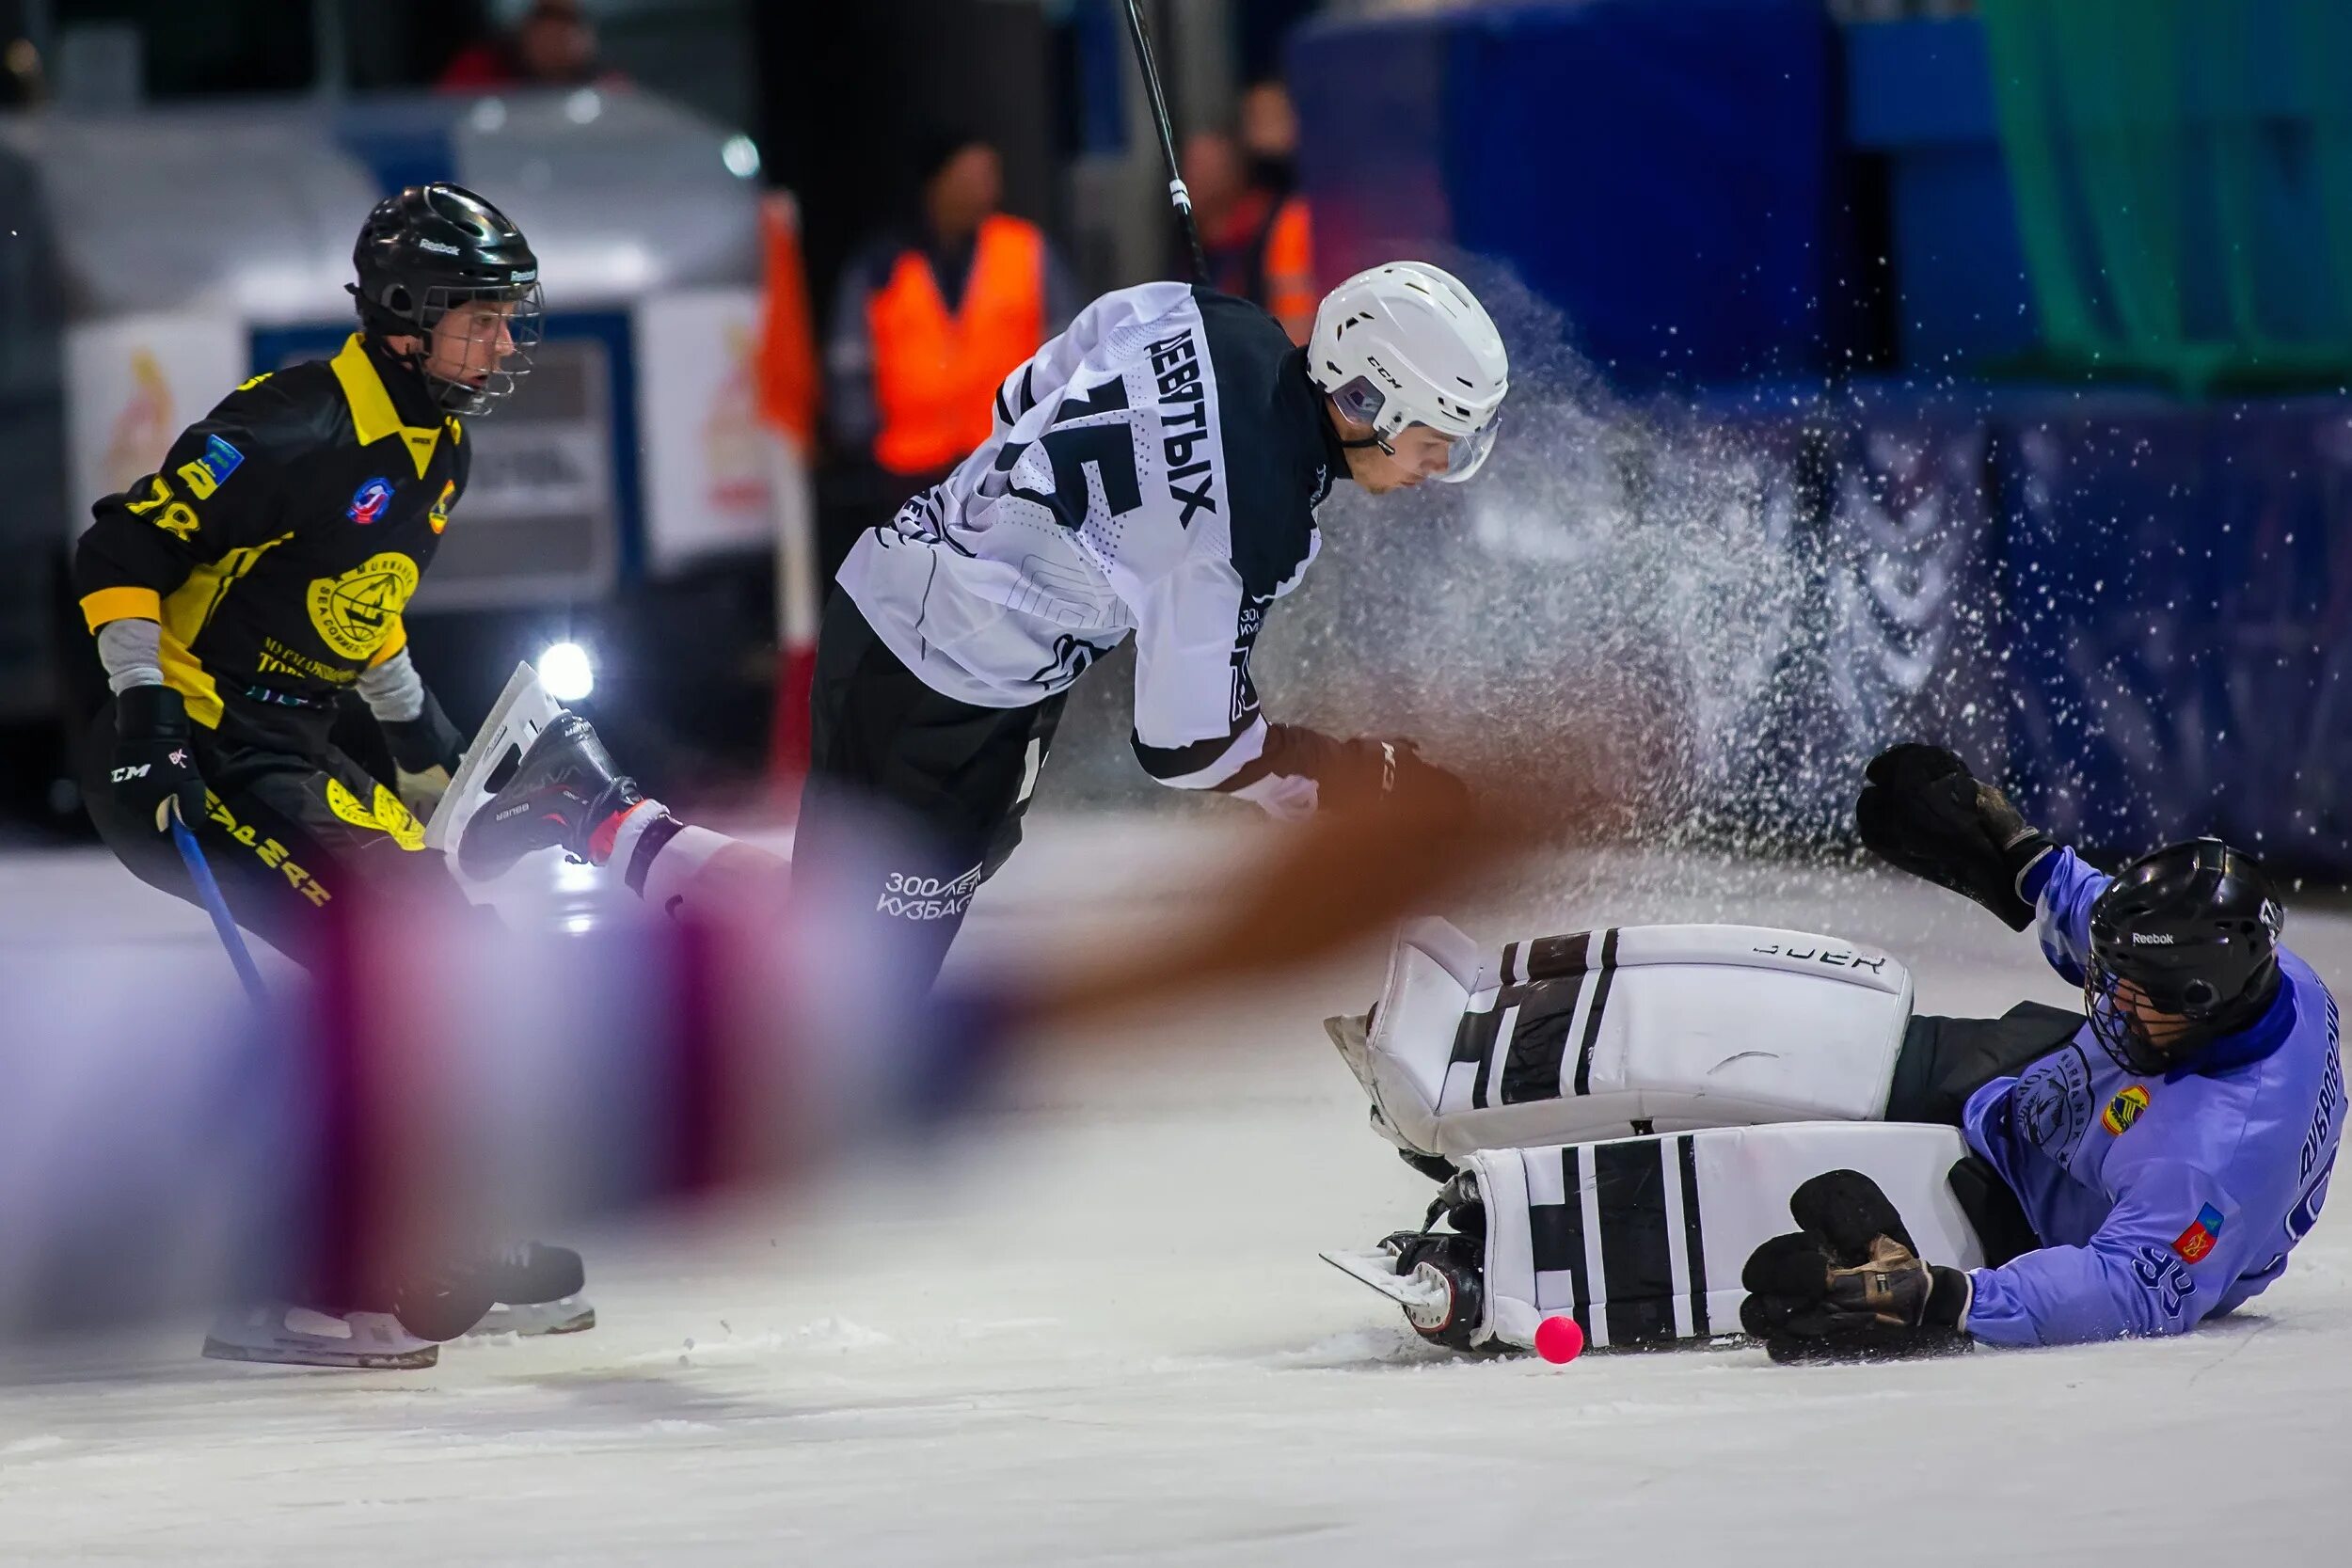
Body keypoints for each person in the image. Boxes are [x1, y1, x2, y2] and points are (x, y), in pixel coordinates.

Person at [1323, 745, 2342, 1360]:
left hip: (2034, 1216)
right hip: (2041, 1082)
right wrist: (2014, 849)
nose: (2109, 990)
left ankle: (1503, 1245)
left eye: (2132, 990)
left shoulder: (2211, 1163)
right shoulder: (2231, 975)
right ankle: (1501, 1059)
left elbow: (2126, 1290)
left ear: (2197, 1008)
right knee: (1794, 1027)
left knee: (1783, 1185)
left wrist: (1949, 1297)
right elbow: (2106, 917)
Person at [70, 182, 589, 1369]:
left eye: (511, 315)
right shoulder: (295, 425)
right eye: (483, 317)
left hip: (291, 752)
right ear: (406, 317)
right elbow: (121, 545)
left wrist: (419, 739)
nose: (506, 342)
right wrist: (145, 705)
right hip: (186, 754)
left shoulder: (438, 444)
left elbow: (366, 608)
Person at [796, 259, 1510, 990]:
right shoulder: (1251, 522)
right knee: (859, 986)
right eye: (1438, 434)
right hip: (936, 679)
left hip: (933, 615)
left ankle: (670, 861)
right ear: (1367, 400)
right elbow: (1187, 742)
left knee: (851, 912)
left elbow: (1021, 397)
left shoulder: (1214, 315)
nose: (1442, 460)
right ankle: (667, 861)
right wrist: (1352, 777)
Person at [819, 130, 1080, 593]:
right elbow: (848, 363)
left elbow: (1070, 347)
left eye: (991, 175)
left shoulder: (1026, 250)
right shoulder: (882, 265)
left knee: (1008, 594)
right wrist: (863, 443)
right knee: (924, 598)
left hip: (1007, 463)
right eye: (972, 175)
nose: (987, 188)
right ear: (937, 183)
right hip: (909, 474)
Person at [437, 0, 623, 92]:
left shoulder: (607, 89)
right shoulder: (476, 71)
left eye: (569, 21)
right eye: (546, 17)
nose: (556, 34)